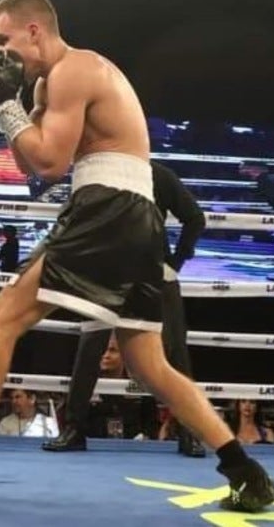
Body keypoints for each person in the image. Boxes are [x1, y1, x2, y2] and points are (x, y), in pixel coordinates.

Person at [0, 0, 274, 512]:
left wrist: (4, 104)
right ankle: (246, 471)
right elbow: (33, 171)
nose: (0, 52)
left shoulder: (76, 69)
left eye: (4, 40)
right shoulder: (49, 84)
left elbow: (51, 162)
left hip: (108, 206)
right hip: (134, 217)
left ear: (34, 31)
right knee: (148, 364)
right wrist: (13, 106)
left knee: (0, 319)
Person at [43, 160, 207, 456]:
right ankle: (74, 429)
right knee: (90, 349)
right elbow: (77, 223)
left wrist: (175, 262)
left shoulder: (158, 175)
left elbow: (195, 218)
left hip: (154, 274)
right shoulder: (98, 173)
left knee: (175, 352)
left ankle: (189, 431)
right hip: (106, 274)